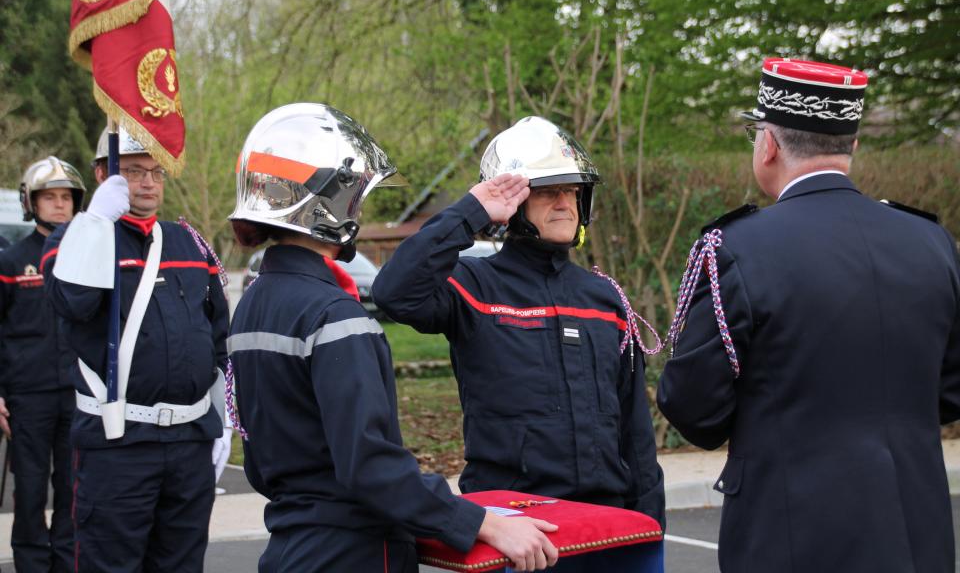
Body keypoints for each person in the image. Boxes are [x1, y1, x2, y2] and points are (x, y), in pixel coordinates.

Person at [226, 103, 559, 573]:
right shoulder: (334, 316)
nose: (360, 208)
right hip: (352, 553)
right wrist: (482, 523)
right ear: (330, 202)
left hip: (289, 545)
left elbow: (261, 462)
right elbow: (371, 468)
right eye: (356, 195)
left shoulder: (253, 305)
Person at [657, 58, 960, 572]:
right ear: (852, 145)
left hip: (790, 537)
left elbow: (693, 408)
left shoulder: (737, 248)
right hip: (916, 533)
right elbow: (950, 391)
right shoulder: (932, 242)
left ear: (769, 145)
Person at [373, 116, 666, 571]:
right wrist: (471, 212)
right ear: (513, 204)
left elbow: (636, 432)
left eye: (572, 191)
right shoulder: (473, 284)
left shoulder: (605, 298)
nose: (565, 203)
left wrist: (650, 526)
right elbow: (395, 292)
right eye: (548, 192)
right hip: (512, 528)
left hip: (604, 525)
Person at [42, 128, 231, 572]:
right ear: (103, 174)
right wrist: (95, 223)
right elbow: (72, 302)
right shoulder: (73, 239)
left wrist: (221, 416)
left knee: (182, 564)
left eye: (155, 172)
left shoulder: (190, 242)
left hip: (188, 441)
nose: (147, 182)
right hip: (118, 445)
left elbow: (217, 335)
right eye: (132, 172)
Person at [0, 156, 85, 572]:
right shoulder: (11, 261)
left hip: (78, 394)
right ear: (31, 203)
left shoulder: (88, 258)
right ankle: (32, 563)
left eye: (66, 197)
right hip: (27, 396)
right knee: (31, 490)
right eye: (49, 197)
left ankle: (67, 563)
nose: (59, 204)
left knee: (73, 489)